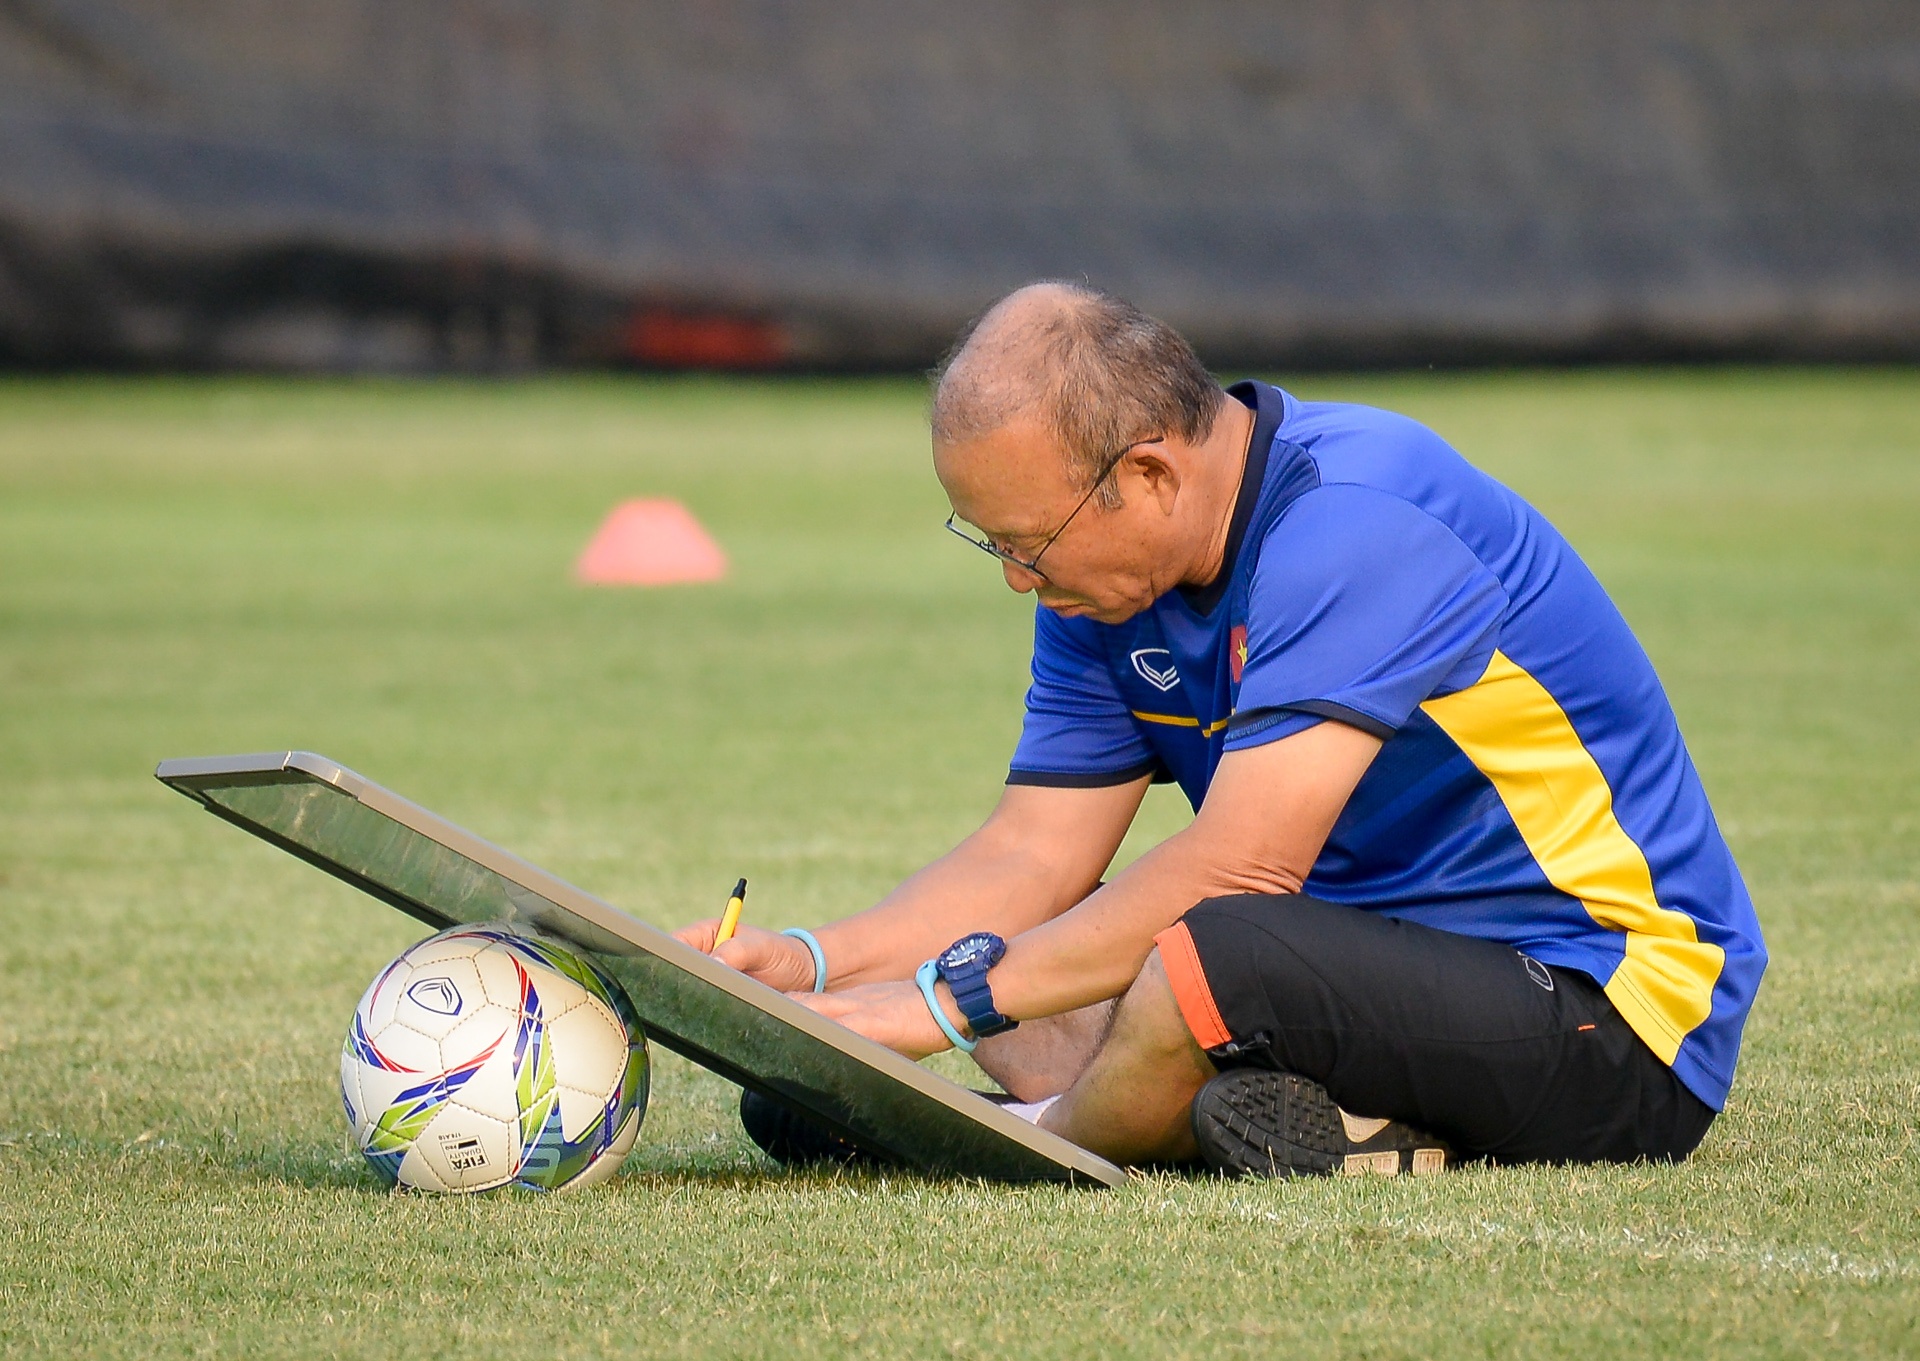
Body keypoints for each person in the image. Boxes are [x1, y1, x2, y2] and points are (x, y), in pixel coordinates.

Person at [674, 281, 1766, 1177]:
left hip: (1611, 1020)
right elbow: (1031, 854)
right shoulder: (1104, 587)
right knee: (1028, 949)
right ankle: (1323, 1128)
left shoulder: (1355, 520)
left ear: (1148, 473)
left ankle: (1024, 1140)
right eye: (991, 543)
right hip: (1356, 982)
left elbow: (1245, 863)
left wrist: (932, 1008)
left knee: (1209, 950)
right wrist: (816, 965)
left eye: (1028, 541)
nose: (1015, 577)